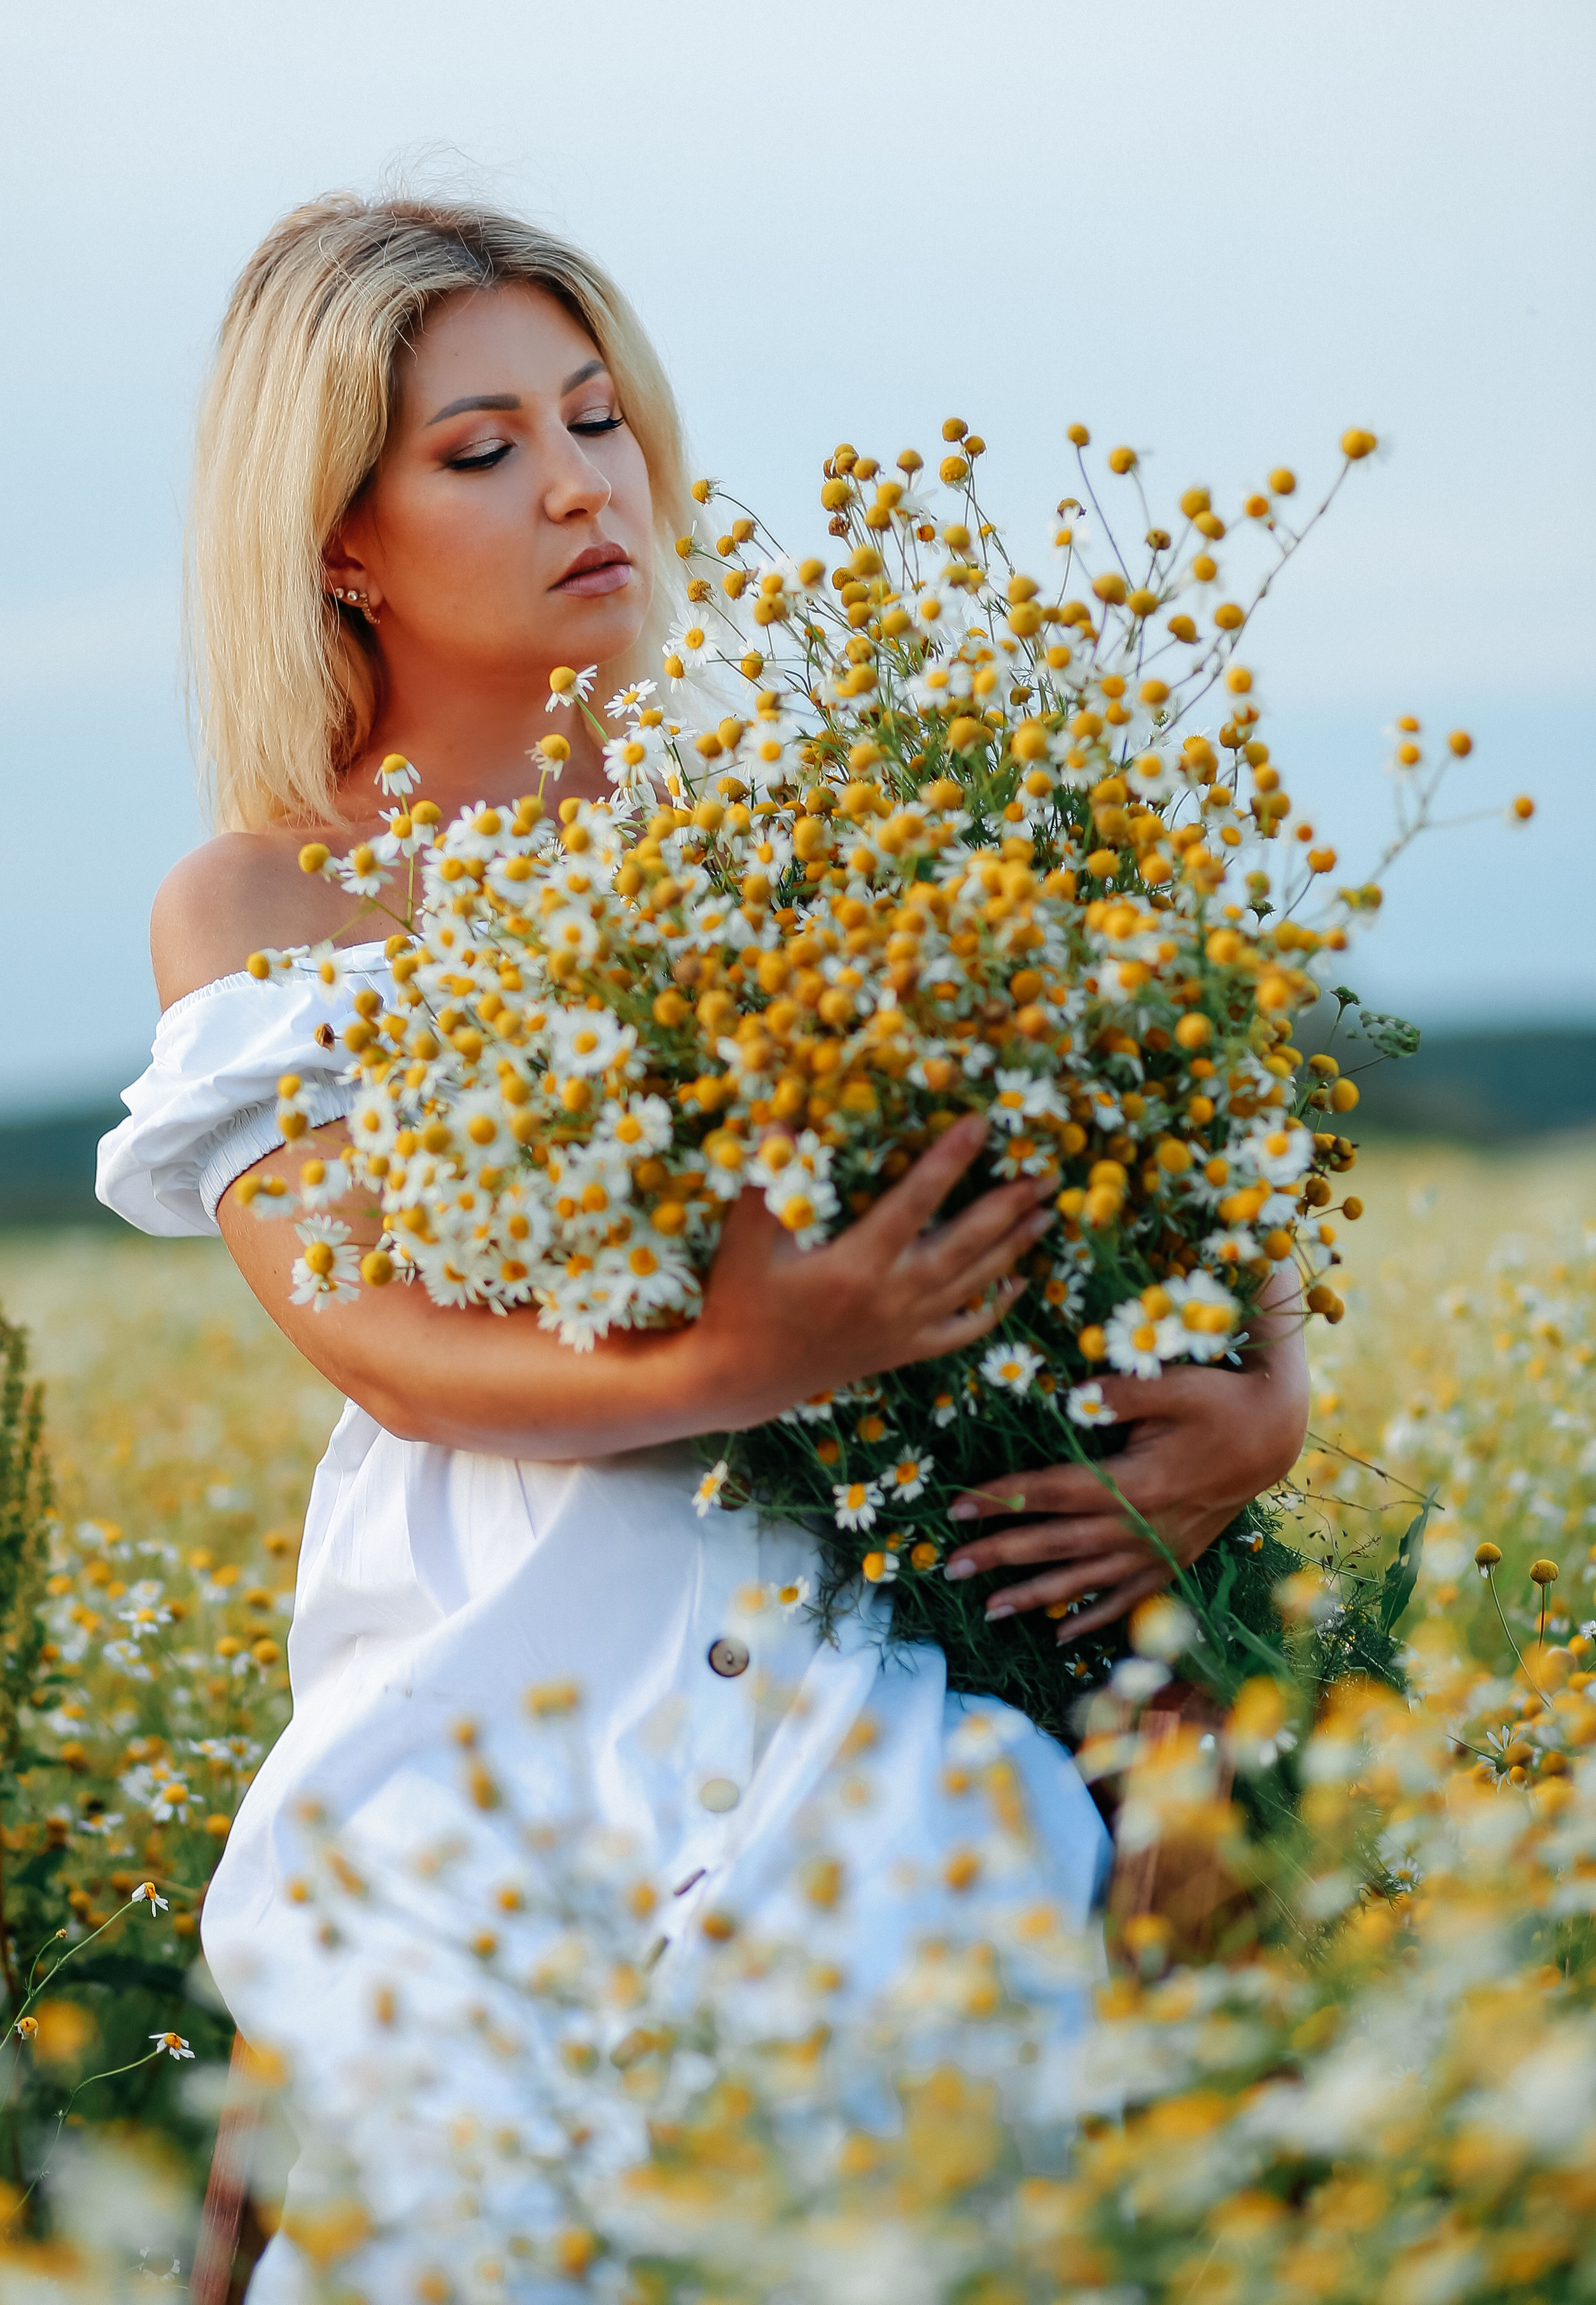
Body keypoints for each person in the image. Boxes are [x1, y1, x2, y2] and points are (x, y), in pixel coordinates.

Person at [97, 192, 1308, 2279]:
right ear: (337, 542)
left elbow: (1169, 1103)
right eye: (481, 451)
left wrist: (1262, 1405)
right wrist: (756, 1358)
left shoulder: (810, 817)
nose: (582, 485)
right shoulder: (261, 904)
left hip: (860, 1670)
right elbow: (372, 1342)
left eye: (598, 419)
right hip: (495, 1670)